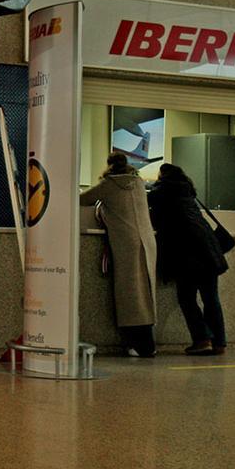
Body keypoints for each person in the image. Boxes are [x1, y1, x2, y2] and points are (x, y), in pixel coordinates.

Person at [81, 153, 158, 357]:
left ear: (109, 165)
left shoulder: (109, 184)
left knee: (130, 295)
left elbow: (83, 199)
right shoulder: (139, 182)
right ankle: (148, 343)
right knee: (145, 292)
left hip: (125, 243)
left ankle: (139, 345)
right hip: (147, 242)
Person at [148, 163, 230, 356]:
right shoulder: (187, 193)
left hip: (187, 255)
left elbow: (148, 209)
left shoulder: (162, 191)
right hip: (208, 252)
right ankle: (219, 343)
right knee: (211, 299)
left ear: (163, 176)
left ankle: (202, 340)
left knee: (186, 298)